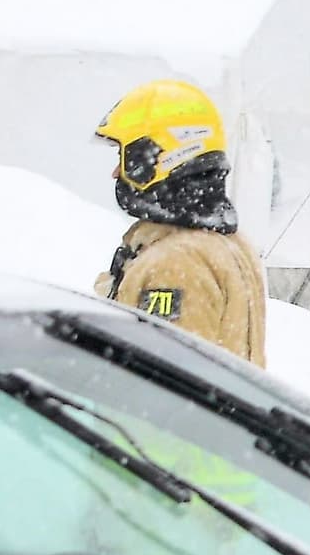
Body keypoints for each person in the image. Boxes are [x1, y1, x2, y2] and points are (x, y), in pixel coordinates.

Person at [92, 79, 267, 365]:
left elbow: (166, 380)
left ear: (156, 158)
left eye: (124, 156)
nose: (115, 172)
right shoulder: (226, 243)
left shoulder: (174, 264)